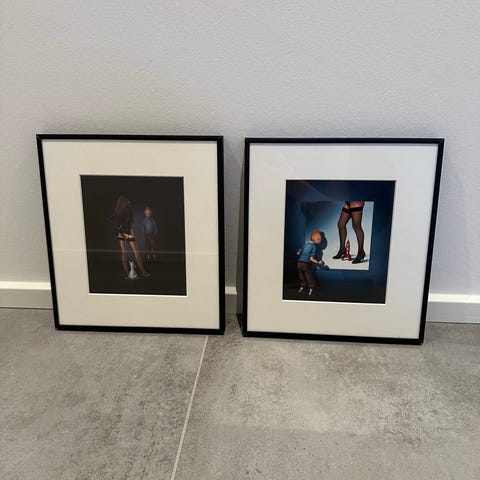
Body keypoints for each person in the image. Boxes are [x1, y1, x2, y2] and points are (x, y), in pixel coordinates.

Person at [109, 195, 150, 279]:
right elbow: (131, 222)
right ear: (125, 202)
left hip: (120, 233)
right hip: (128, 232)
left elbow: (112, 219)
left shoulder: (118, 210)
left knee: (123, 252)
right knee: (136, 252)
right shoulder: (128, 208)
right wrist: (130, 230)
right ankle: (143, 272)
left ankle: (126, 273)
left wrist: (119, 227)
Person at [297, 229, 325, 296]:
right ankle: (311, 290)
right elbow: (311, 258)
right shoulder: (314, 247)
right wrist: (318, 262)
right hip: (305, 264)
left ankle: (302, 288)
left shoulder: (306, 244)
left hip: (299, 263)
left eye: (320, 239)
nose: (320, 241)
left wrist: (298, 252)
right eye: (318, 239)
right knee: (309, 276)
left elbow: (300, 250)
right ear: (314, 239)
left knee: (301, 276)